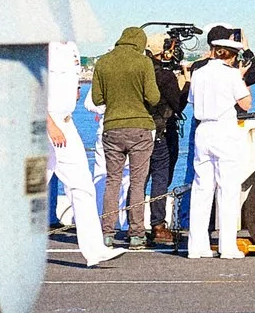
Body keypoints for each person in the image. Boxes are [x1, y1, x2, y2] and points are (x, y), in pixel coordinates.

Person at [45, 33, 119, 267]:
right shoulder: (44, 47)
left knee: (82, 185)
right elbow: (32, 87)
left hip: (67, 122)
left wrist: (74, 90)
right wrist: (50, 125)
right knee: (28, 192)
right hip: (47, 123)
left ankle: (95, 249)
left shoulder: (72, 48)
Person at [87, 24, 160, 249]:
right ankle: (136, 234)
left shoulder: (103, 62)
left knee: (112, 181)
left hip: (112, 129)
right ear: (140, 43)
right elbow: (154, 97)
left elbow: (98, 99)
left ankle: (107, 233)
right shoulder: (143, 62)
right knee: (137, 183)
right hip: (139, 128)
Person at [185, 31, 247, 260]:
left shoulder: (198, 73)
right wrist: (240, 77)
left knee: (202, 189)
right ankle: (227, 246)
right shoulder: (231, 75)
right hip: (224, 129)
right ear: (231, 55)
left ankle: (196, 246)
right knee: (228, 190)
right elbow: (246, 103)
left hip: (203, 129)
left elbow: (192, 100)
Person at [141, 30, 192, 248]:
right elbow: (178, 105)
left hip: (140, 131)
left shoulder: (141, 72)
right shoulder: (165, 76)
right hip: (162, 131)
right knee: (161, 177)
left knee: (139, 180)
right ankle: (158, 225)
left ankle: (134, 226)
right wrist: (186, 81)